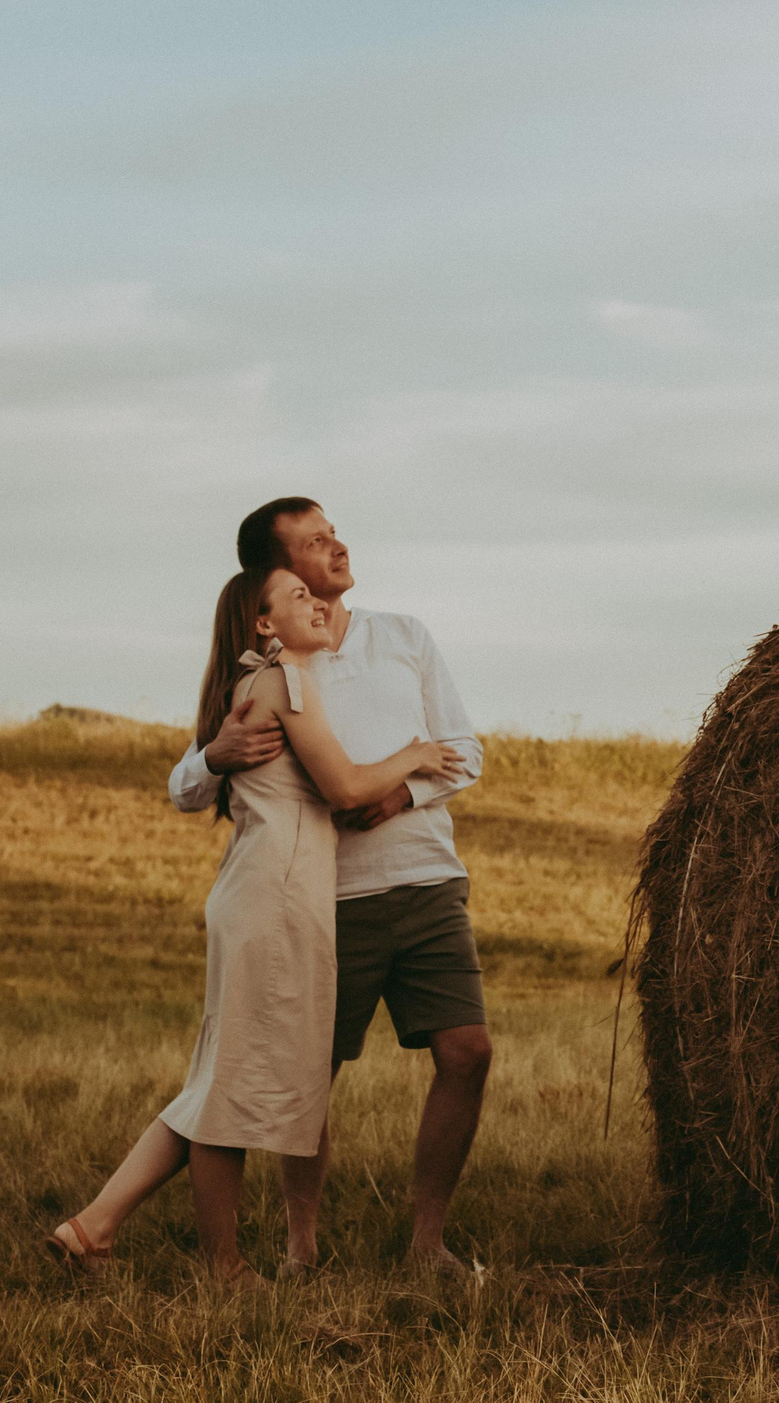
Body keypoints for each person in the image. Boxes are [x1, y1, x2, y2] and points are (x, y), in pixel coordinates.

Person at [47, 566, 462, 1283]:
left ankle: (93, 1226)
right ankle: (224, 1268)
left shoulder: (266, 684)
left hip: (264, 891)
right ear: (264, 624)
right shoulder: (285, 684)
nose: (318, 600)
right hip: (275, 897)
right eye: (298, 595)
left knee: (219, 1077)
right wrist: (418, 755)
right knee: (232, 1089)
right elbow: (347, 787)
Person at [167, 498, 492, 1282]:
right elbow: (183, 782)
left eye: (333, 531)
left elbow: (464, 749)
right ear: (274, 578)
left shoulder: (404, 637)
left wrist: (404, 795)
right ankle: (300, 1245)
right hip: (326, 899)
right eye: (314, 542)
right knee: (308, 1075)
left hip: (425, 879)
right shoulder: (275, 667)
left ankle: (427, 1242)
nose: (337, 546)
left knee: (469, 1051)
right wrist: (215, 752)